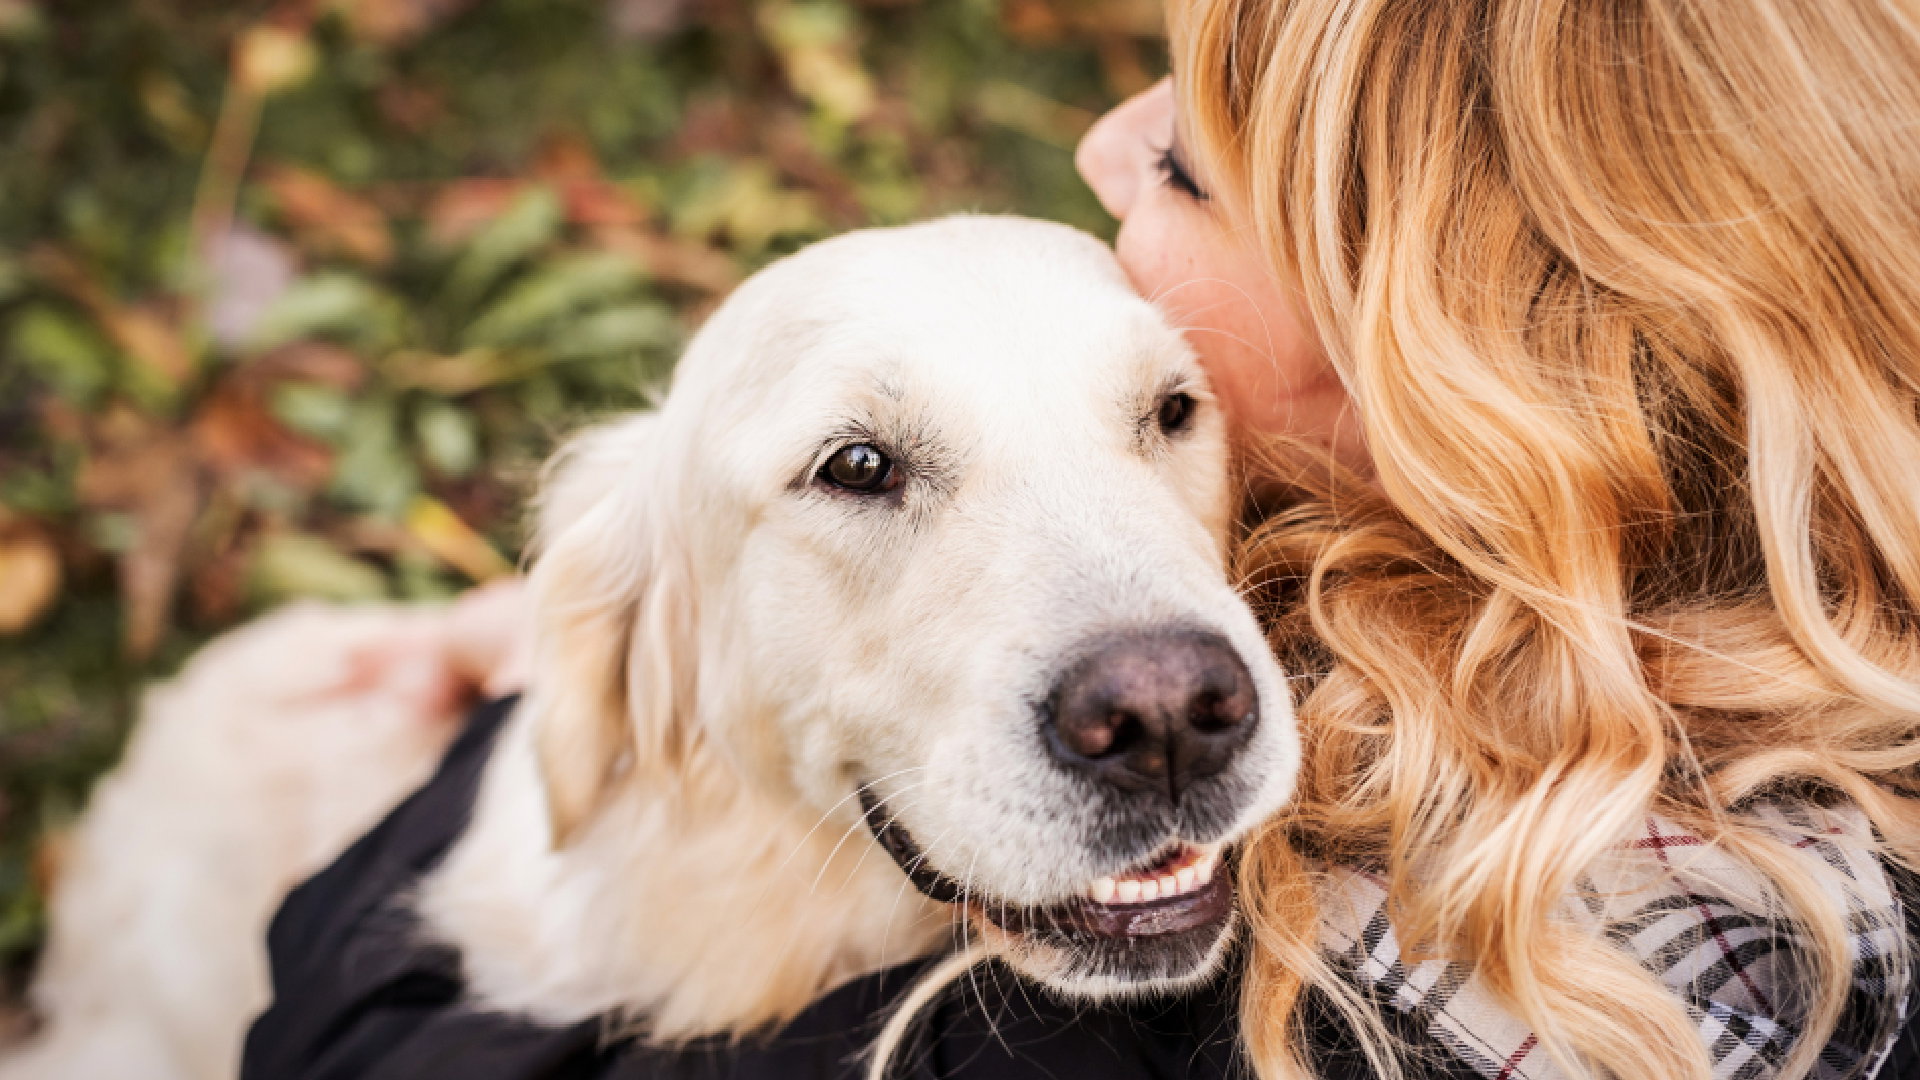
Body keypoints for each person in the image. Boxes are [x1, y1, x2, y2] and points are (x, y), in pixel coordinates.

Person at [244, 1, 1920, 1077]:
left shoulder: (1301, 1005)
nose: (1098, 143)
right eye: (862, 467)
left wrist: (490, 746)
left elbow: (330, 1032)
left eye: (1185, 166)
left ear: (1434, 338)